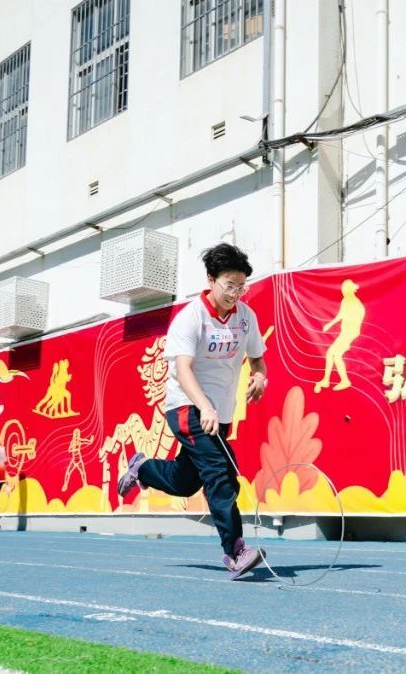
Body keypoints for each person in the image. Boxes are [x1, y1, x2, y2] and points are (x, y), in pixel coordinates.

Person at [117, 243, 268, 580]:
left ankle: (143, 469)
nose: (235, 293)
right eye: (229, 285)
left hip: (221, 413)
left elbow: (258, 358)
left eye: (241, 286)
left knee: (186, 481)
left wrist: (260, 377)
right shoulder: (190, 318)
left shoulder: (246, 317)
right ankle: (235, 551)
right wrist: (204, 406)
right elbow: (183, 370)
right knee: (219, 471)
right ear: (210, 280)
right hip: (187, 407)